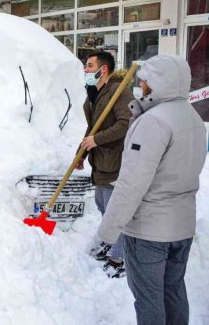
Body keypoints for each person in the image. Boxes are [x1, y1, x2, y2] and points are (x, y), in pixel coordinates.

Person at [99, 55, 206, 325]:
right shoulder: (192, 118)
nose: (141, 84)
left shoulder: (153, 122)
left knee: (148, 298)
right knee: (173, 290)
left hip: (150, 231)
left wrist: (108, 232)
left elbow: (131, 184)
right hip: (182, 227)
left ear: (156, 82)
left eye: (144, 79)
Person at [76, 50, 133, 278]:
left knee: (114, 213)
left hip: (115, 161)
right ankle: (112, 244)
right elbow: (92, 129)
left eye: (89, 66)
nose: (85, 70)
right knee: (102, 206)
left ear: (104, 69)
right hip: (101, 162)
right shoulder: (95, 93)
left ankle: (120, 257)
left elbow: (127, 123)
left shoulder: (120, 92)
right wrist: (80, 154)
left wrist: (97, 140)